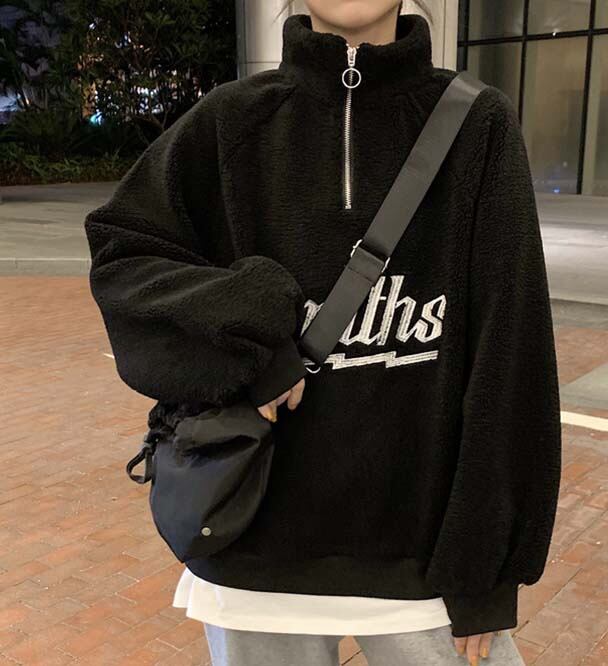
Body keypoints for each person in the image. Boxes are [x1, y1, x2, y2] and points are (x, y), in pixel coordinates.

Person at [84, 1, 562, 664]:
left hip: (425, 563)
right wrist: (250, 334)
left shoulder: (478, 123)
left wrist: (487, 569)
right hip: (254, 554)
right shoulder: (229, 120)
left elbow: (511, 357)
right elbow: (123, 258)